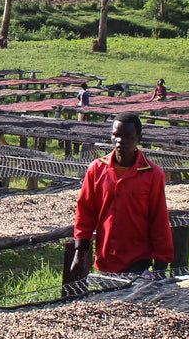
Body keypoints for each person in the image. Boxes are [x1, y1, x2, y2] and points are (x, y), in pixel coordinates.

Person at [71, 114, 174, 279]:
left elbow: (159, 220)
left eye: (127, 136)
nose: (120, 140)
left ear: (138, 139)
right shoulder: (96, 169)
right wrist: (80, 252)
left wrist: (161, 264)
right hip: (105, 259)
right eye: (116, 135)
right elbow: (86, 212)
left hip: (137, 260)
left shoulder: (152, 174)